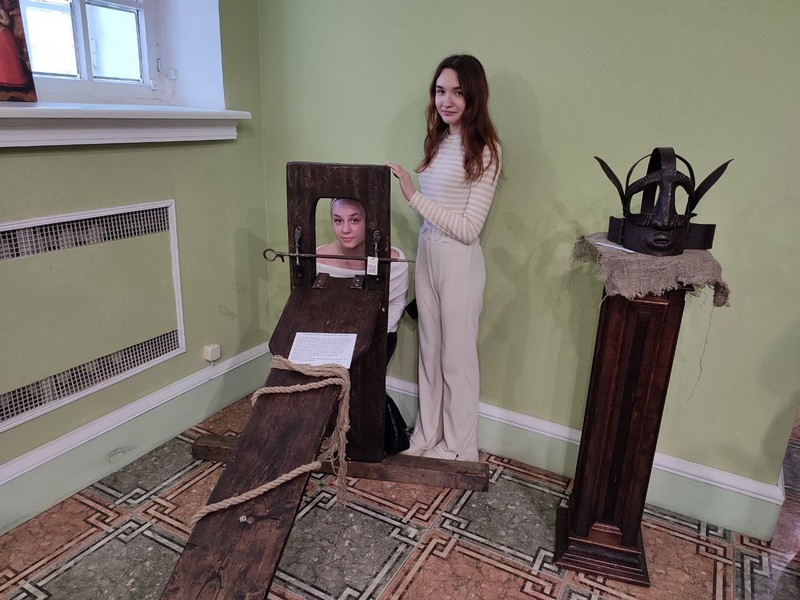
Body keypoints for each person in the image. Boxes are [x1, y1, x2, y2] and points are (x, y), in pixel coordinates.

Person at [387, 54, 502, 462]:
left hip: (459, 262)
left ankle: (459, 447)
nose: (446, 100)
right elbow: (439, 210)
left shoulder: (486, 150)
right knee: (430, 350)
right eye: (440, 91)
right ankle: (427, 435)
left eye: (457, 92)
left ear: (474, 97)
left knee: (457, 359)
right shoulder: (438, 140)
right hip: (429, 252)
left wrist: (412, 196)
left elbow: (469, 228)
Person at [316, 198, 411, 452]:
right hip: (336, 334)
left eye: (355, 220)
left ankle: (373, 435)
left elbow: (395, 307)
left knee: (363, 383)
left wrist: (366, 341)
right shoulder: (320, 257)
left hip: (378, 334)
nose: (345, 229)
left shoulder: (394, 260)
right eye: (338, 220)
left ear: (369, 222)